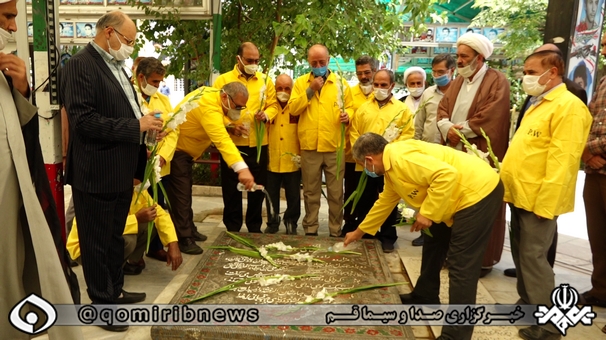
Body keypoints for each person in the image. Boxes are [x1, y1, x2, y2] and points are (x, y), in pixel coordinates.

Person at [344, 133, 503, 340]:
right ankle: (425, 294)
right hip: (452, 195)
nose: (367, 171)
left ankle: (456, 335)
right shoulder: (391, 167)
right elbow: (385, 202)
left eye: (363, 165)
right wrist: (359, 231)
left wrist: (427, 212)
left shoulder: (402, 158)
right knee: (434, 241)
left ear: (369, 160)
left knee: (461, 265)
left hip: (477, 193)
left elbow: (446, 175)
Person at [61, 11, 164, 331]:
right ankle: (103, 304)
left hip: (120, 169)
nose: (131, 47)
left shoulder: (116, 66)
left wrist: (146, 130)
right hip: (96, 170)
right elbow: (84, 122)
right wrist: (136, 126)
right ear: (109, 33)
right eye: (129, 40)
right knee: (96, 241)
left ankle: (115, 289)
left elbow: (127, 112)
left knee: (114, 238)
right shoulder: (81, 65)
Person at [0, 0, 82, 338]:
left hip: (12, 188)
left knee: (14, 269)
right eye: (7, 17)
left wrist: (21, 90)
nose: (14, 28)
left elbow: (18, 130)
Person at [500, 49, 591, 340]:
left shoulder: (568, 107)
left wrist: (547, 203)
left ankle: (551, 325)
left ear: (552, 73)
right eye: (525, 71)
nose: (525, 77)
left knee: (534, 258)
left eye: (530, 71)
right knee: (521, 256)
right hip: (519, 192)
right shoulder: (539, 102)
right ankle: (528, 304)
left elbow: (563, 161)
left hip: (539, 198)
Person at [436, 33, 510, 276]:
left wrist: (461, 131)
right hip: (455, 152)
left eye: (463, 56)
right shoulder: (458, 81)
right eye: (457, 56)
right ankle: (455, 255)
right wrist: (448, 129)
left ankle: (482, 261)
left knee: (478, 203)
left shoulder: (497, 80)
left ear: (479, 58)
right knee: (457, 203)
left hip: (478, 154)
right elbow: (443, 109)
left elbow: (493, 115)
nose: (458, 60)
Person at [163, 82, 255, 254]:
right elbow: (221, 140)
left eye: (242, 107)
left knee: (185, 192)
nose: (239, 110)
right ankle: (184, 238)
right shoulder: (208, 106)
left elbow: (217, 121)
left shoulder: (213, 95)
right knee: (181, 195)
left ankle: (189, 228)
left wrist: (230, 126)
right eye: (237, 106)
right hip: (177, 150)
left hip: (188, 152)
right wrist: (242, 169)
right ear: (225, 97)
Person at [212, 42, 279, 233]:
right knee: (231, 190)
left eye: (257, 60)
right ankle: (232, 227)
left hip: (258, 144)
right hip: (232, 145)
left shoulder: (266, 81)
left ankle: (254, 226)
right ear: (239, 59)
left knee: (257, 189)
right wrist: (230, 126)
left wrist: (266, 115)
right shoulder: (223, 80)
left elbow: (273, 105)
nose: (254, 64)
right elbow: (215, 110)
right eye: (250, 60)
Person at [289, 44, 353, 237]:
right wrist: (310, 90)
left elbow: (351, 108)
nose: (318, 65)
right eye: (314, 62)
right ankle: (310, 228)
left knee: (336, 193)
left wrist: (348, 115)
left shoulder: (341, 83)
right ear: (309, 62)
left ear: (329, 60)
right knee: (310, 192)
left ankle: (335, 229)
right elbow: (293, 109)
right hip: (310, 147)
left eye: (322, 62)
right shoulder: (301, 82)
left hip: (335, 147)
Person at [348, 70, 414, 252]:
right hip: (366, 165)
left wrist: (389, 153)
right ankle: (367, 234)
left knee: (389, 201)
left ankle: (387, 237)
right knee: (365, 200)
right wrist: (360, 157)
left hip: (389, 165)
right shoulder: (363, 108)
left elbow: (408, 135)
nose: (378, 88)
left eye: (383, 85)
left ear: (392, 86)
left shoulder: (402, 110)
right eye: (376, 84)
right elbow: (354, 133)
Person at [67, 180, 182, 274]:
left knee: (151, 224)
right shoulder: (105, 189)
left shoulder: (137, 189)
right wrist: (136, 219)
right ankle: (107, 274)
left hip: (108, 238)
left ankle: (123, 264)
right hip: (86, 248)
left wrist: (173, 243)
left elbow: (159, 214)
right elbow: (102, 226)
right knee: (128, 241)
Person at [134, 57, 180, 261]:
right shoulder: (130, 97)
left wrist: (163, 156)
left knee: (157, 207)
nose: (157, 86)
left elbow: (174, 132)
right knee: (137, 207)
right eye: (154, 82)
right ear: (141, 77)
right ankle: (134, 252)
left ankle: (155, 246)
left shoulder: (163, 100)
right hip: (136, 165)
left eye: (160, 82)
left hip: (159, 165)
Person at [579, 33, 606, 309]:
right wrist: (586, 152)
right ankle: (601, 289)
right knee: (598, 236)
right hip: (594, 171)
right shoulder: (603, 79)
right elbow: (588, 119)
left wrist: (595, 148)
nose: (604, 49)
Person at [343, 55, 377, 233]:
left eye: (367, 72)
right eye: (359, 73)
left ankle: (369, 227)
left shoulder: (379, 93)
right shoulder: (350, 93)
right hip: (352, 155)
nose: (363, 77)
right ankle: (349, 224)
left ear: (375, 71)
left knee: (372, 194)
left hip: (376, 158)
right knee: (351, 191)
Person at [265, 74, 301, 234]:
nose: (283, 91)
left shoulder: (297, 108)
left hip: (293, 160)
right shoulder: (268, 107)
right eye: (279, 88)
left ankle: (291, 222)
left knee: (293, 195)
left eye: (287, 88)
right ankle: (272, 223)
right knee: (271, 194)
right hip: (272, 159)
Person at [414, 54, 455, 144]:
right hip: (428, 147)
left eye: (440, 72)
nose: (436, 76)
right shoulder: (427, 93)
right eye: (434, 72)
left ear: (452, 71)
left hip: (451, 149)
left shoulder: (459, 93)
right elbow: (419, 123)